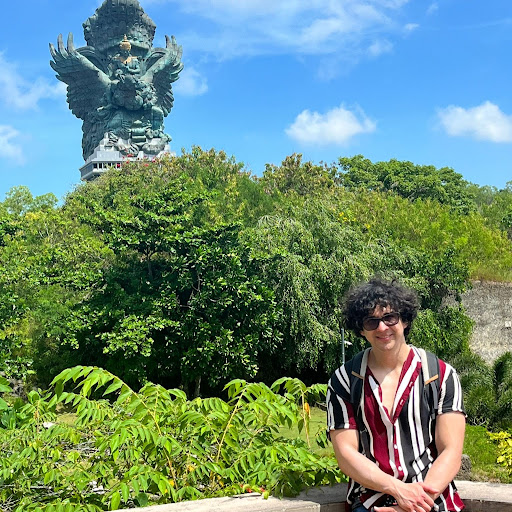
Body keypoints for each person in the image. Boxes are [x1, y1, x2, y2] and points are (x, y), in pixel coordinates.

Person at [327, 278, 466, 512]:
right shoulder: (345, 380)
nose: (382, 328)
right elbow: (346, 454)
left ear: (405, 320)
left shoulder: (440, 375)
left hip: (433, 498)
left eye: (389, 317)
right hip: (372, 500)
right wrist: (398, 490)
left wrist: (413, 504)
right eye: (371, 321)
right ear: (361, 329)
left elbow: (451, 451)